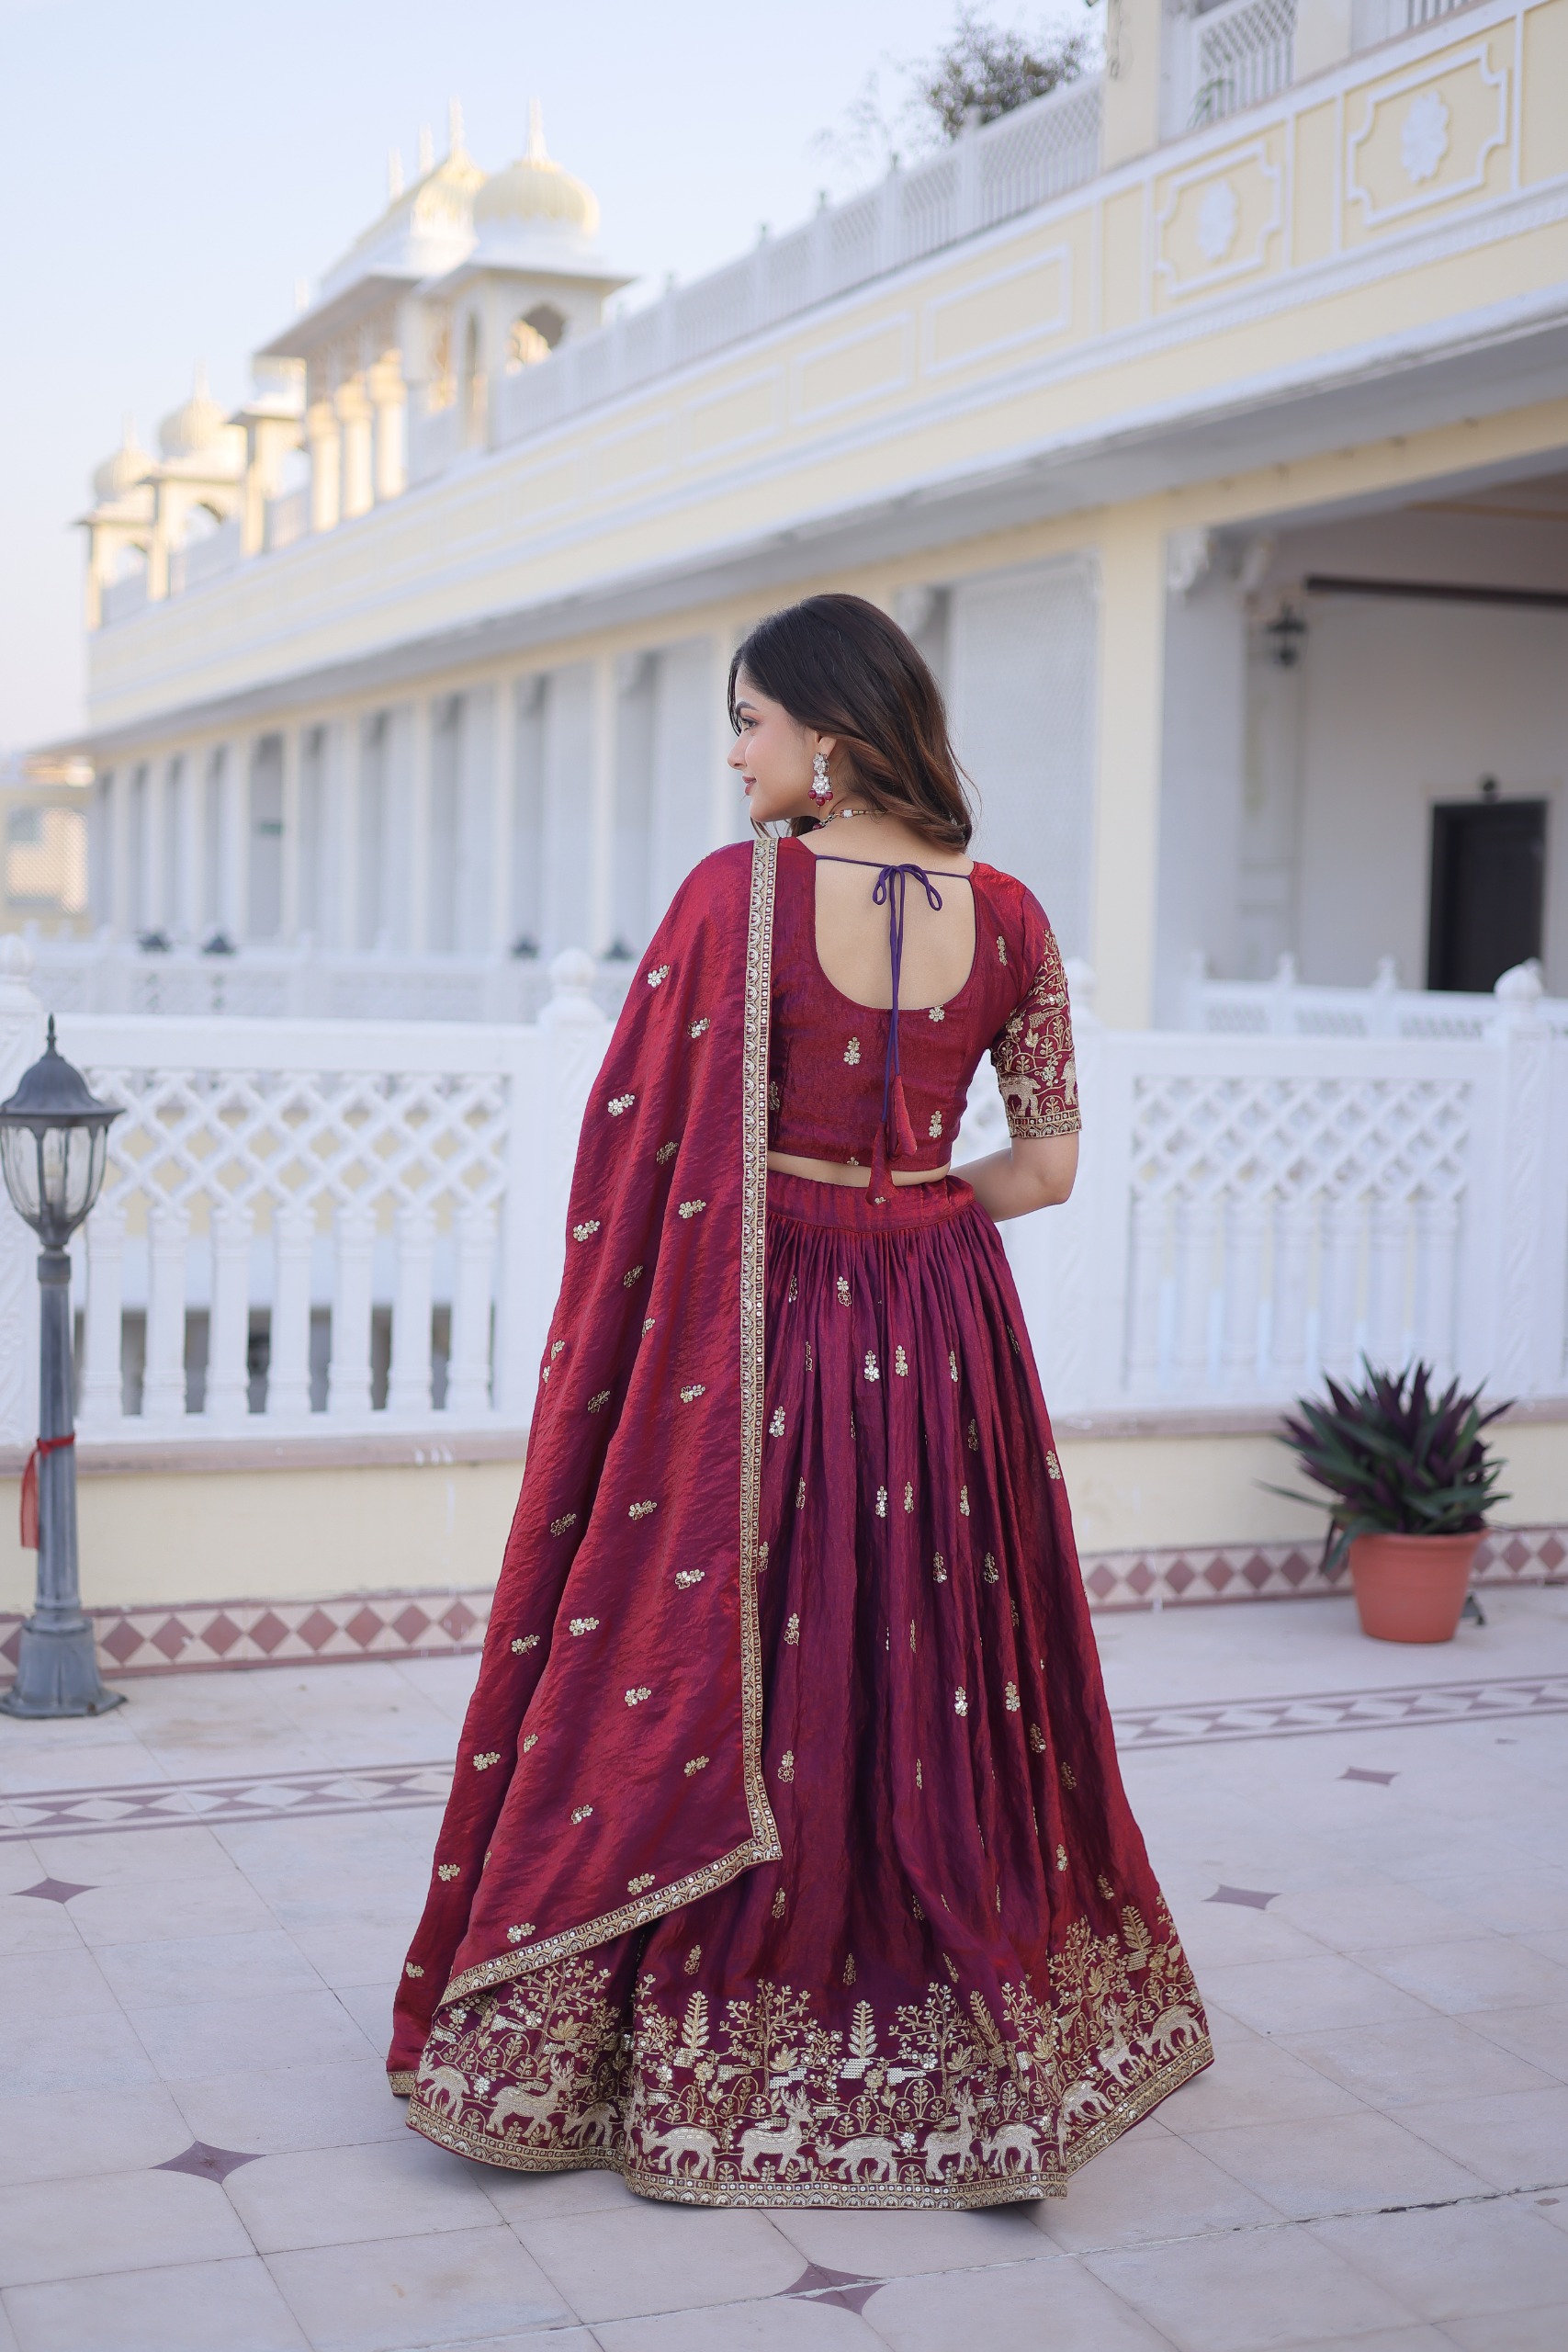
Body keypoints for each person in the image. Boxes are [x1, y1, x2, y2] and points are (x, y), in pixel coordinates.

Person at [388, 593, 1211, 2207]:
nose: (736, 758)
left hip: (761, 1308)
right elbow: (1046, 1168)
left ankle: (672, 2038)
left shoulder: (738, 896)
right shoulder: (1015, 920)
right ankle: (970, 2034)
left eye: (748, 723)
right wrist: (919, 1206)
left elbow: (639, 1150)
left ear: (828, 739)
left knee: (733, 1638)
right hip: (945, 1313)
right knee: (932, 1643)